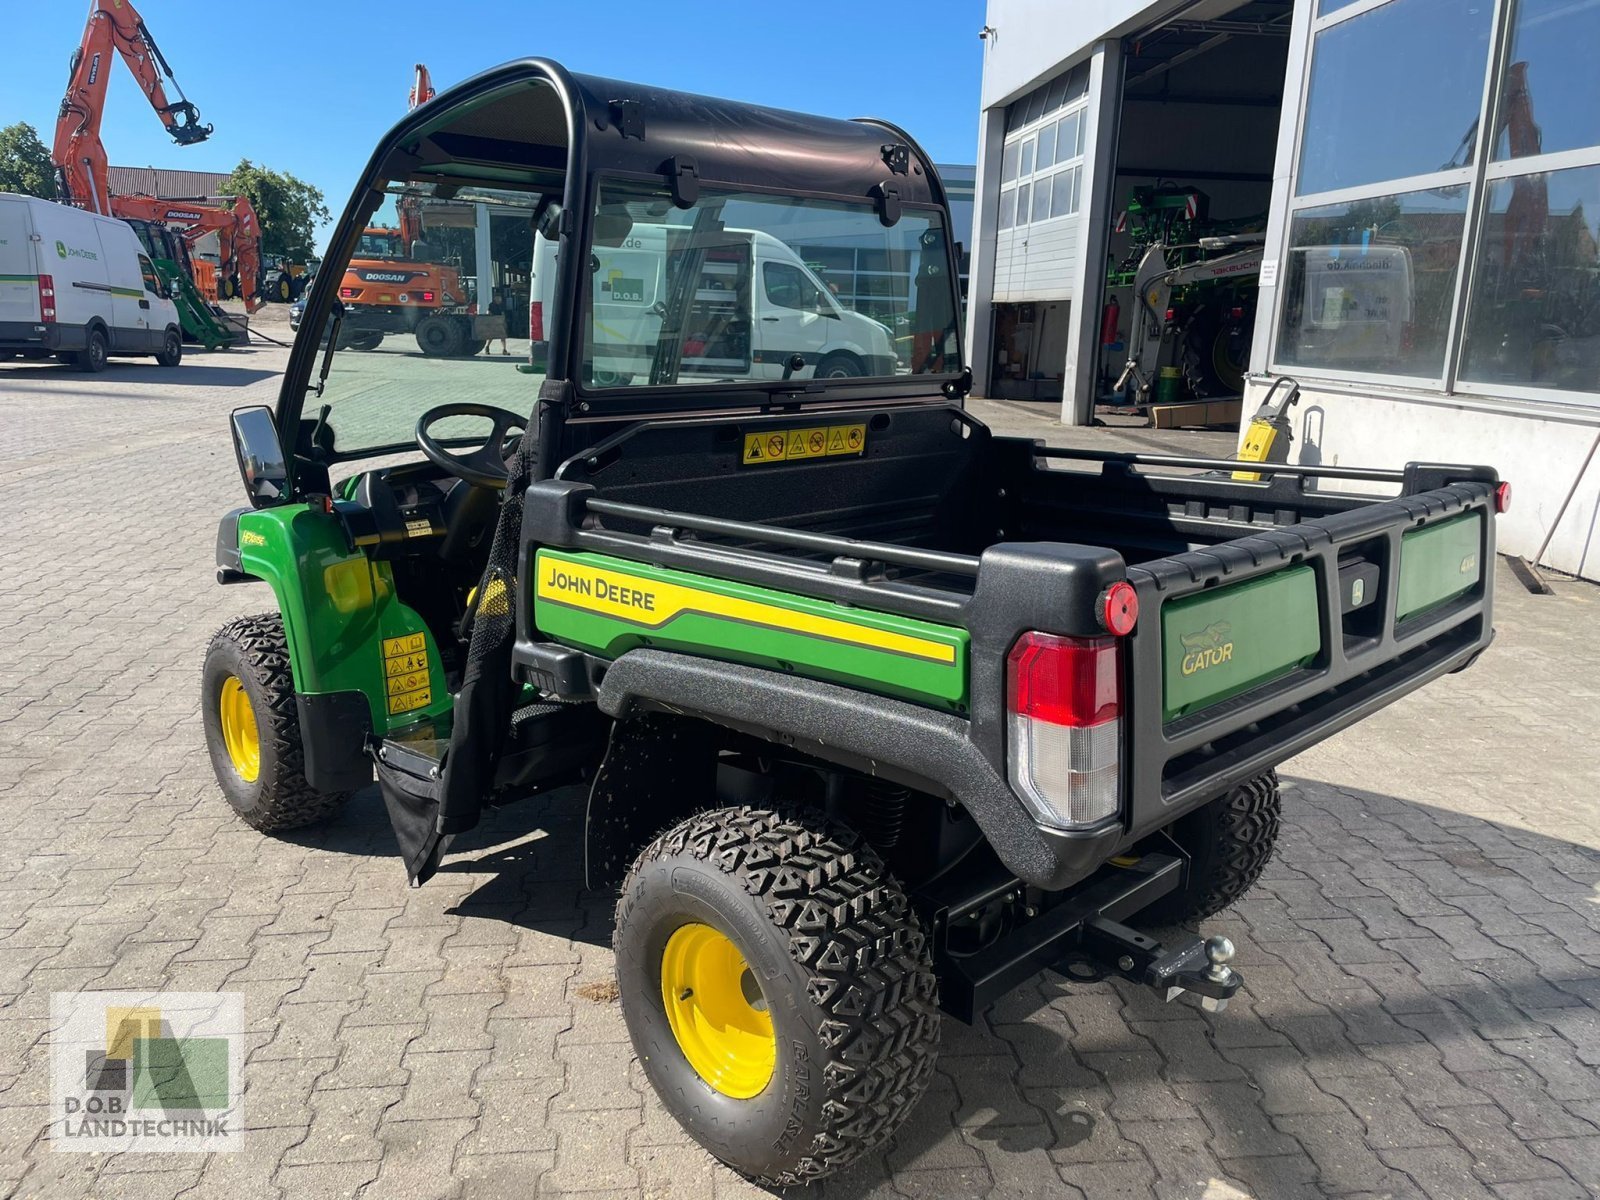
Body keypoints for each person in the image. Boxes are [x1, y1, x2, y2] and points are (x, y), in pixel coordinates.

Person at [485, 289, 509, 356]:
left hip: (500, 323)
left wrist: (504, 322)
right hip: (493, 323)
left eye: (500, 298)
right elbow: (488, 312)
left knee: (503, 336)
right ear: (495, 298)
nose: (499, 299)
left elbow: (503, 314)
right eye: (497, 298)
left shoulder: (502, 305)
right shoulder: (491, 305)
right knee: (491, 336)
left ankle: (504, 349)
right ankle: (487, 347)